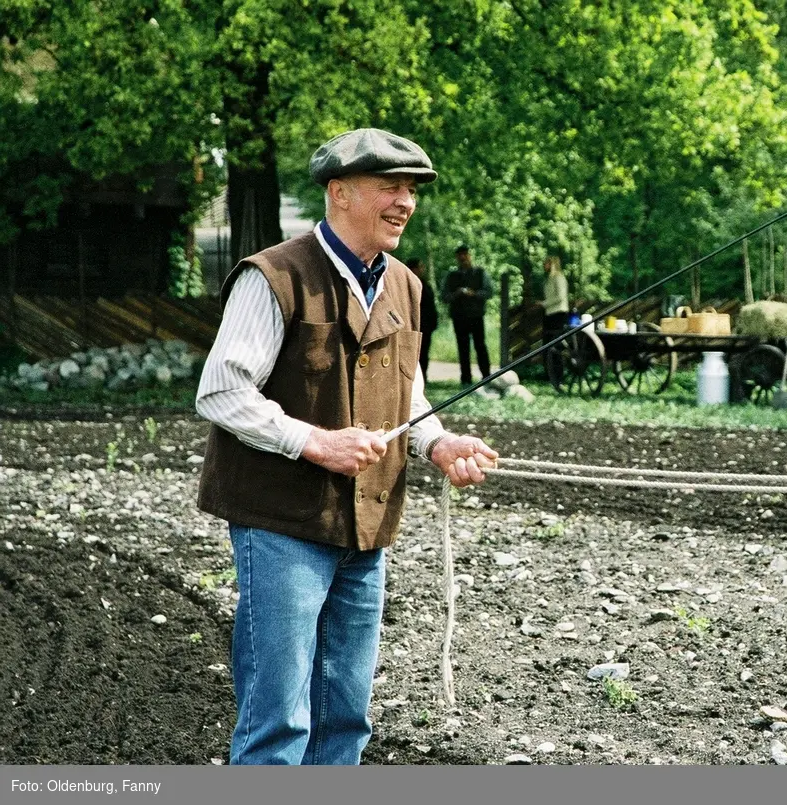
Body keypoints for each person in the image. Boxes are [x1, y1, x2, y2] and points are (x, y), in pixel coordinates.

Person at [195, 127, 499, 766]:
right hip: (281, 527)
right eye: (390, 186)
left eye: (411, 190)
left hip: (367, 530)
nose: (405, 202)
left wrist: (438, 443)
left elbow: (407, 397)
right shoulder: (273, 276)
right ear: (339, 192)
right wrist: (313, 442)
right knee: (277, 724)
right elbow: (220, 391)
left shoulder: (408, 287)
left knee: (346, 720)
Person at [440, 244, 492, 385]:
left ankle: (487, 376)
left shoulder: (480, 273)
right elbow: (444, 297)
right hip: (459, 316)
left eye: (465, 254)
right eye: (460, 255)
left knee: (480, 346)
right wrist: (456, 294)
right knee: (463, 348)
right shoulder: (451, 276)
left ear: (469, 255)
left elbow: (488, 292)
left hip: (476, 315)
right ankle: (466, 378)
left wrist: (473, 294)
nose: (463, 258)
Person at [407, 256, 438, 379]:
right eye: (419, 267)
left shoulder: (425, 284)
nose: (422, 270)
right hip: (413, 325)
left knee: (424, 353)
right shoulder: (408, 283)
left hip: (426, 325)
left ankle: (423, 376)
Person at [540, 254, 570, 345]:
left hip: (558, 314)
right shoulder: (549, 279)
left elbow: (560, 296)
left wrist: (544, 303)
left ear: (552, 264)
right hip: (550, 313)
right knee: (547, 340)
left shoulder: (559, 277)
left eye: (546, 263)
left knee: (556, 341)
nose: (544, 265)